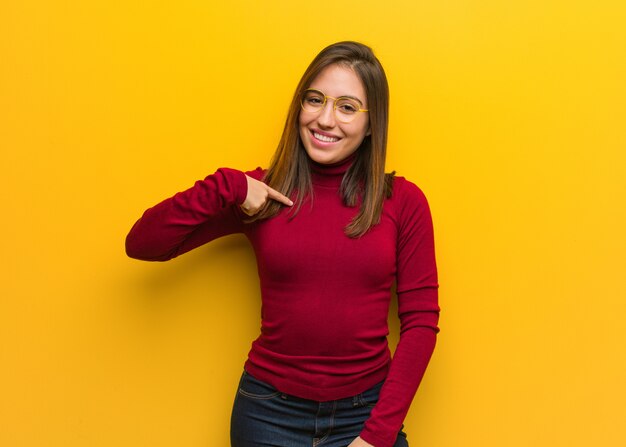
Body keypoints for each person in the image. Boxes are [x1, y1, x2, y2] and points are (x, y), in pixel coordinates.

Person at [125, 41, 439, 447]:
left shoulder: (403, 201)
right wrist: (229, 186)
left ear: (372, 123)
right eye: (315, 100)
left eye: (346, 107)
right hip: (268, 413)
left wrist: (377, 435)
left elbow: (420, 324)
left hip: (367, 412)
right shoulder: (262, 193)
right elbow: (145, 243)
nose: (326, 119)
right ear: (299, 107)